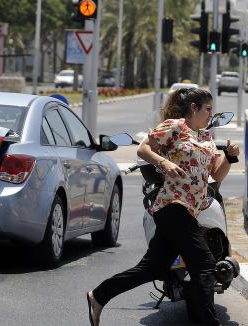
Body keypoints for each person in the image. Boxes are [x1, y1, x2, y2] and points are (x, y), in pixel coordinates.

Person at [86, 88, 239, 326]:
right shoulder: (175, 126)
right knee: (206, 265)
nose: (211, 114)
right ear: (193, 109)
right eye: (208, 109)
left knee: (152, 268)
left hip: (190, 210)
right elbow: (143, 148)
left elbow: (216, 176)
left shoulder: (205, 138)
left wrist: (229, 157)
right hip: (172, 205)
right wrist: (164, 162)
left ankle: (98, 296)